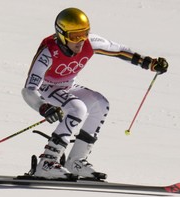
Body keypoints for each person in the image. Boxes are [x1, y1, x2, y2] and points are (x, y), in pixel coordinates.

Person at [22, 7, 169, 180]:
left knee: (100, 104)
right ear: (62, 35)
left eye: (84, 34)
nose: (81, 41)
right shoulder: (48, 52)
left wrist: (149, 63)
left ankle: (76, 161)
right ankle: (46, 163)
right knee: (77, 108)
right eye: (75, 36)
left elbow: (120, 50)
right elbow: (29, 90)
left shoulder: (90, 42)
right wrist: (43, 107)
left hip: (68, 86)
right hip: (46, 88)